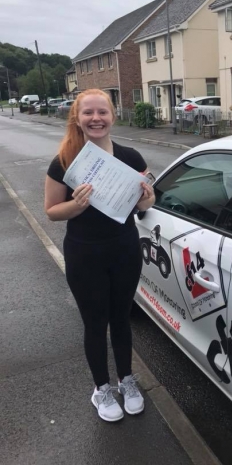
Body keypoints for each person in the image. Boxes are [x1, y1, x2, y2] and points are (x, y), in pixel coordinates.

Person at [44, 88, 155, 422]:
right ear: (77, 119)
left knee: (121, 318)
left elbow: (146, 203)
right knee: (96, 323)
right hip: (84, 254)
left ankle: (127, 380)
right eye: (88, 113)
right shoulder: (65, 162)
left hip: (124, 250)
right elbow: (51, 211)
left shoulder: (131, 157)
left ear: (113, 114)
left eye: (102, 112)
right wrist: (77, 205)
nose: (96, 118)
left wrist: (147, 196)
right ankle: (101, 388)